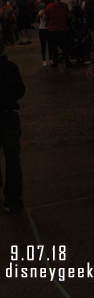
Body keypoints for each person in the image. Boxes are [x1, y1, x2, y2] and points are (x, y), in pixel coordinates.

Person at [0, 41, 25, 214]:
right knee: (12, 159)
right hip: (8, 115)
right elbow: (20, 91)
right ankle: (12, 198)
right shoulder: (10, 68)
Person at [46, 0, 72, 67]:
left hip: (53, 29)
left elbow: (47, 16)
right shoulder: (64, 6)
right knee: (65, 46)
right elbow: (67, 15)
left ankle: (55, 62)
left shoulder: (49, 6)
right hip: (63, 28)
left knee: (54, 48)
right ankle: (67, 61)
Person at [36, 0, 50, 66]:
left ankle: (50, 59)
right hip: (42, 28)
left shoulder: (49, 10)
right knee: (43, 45)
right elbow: (37, 18)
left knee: (50, 45)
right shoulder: (41, 11)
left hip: (47, 28)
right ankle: (44, 59)